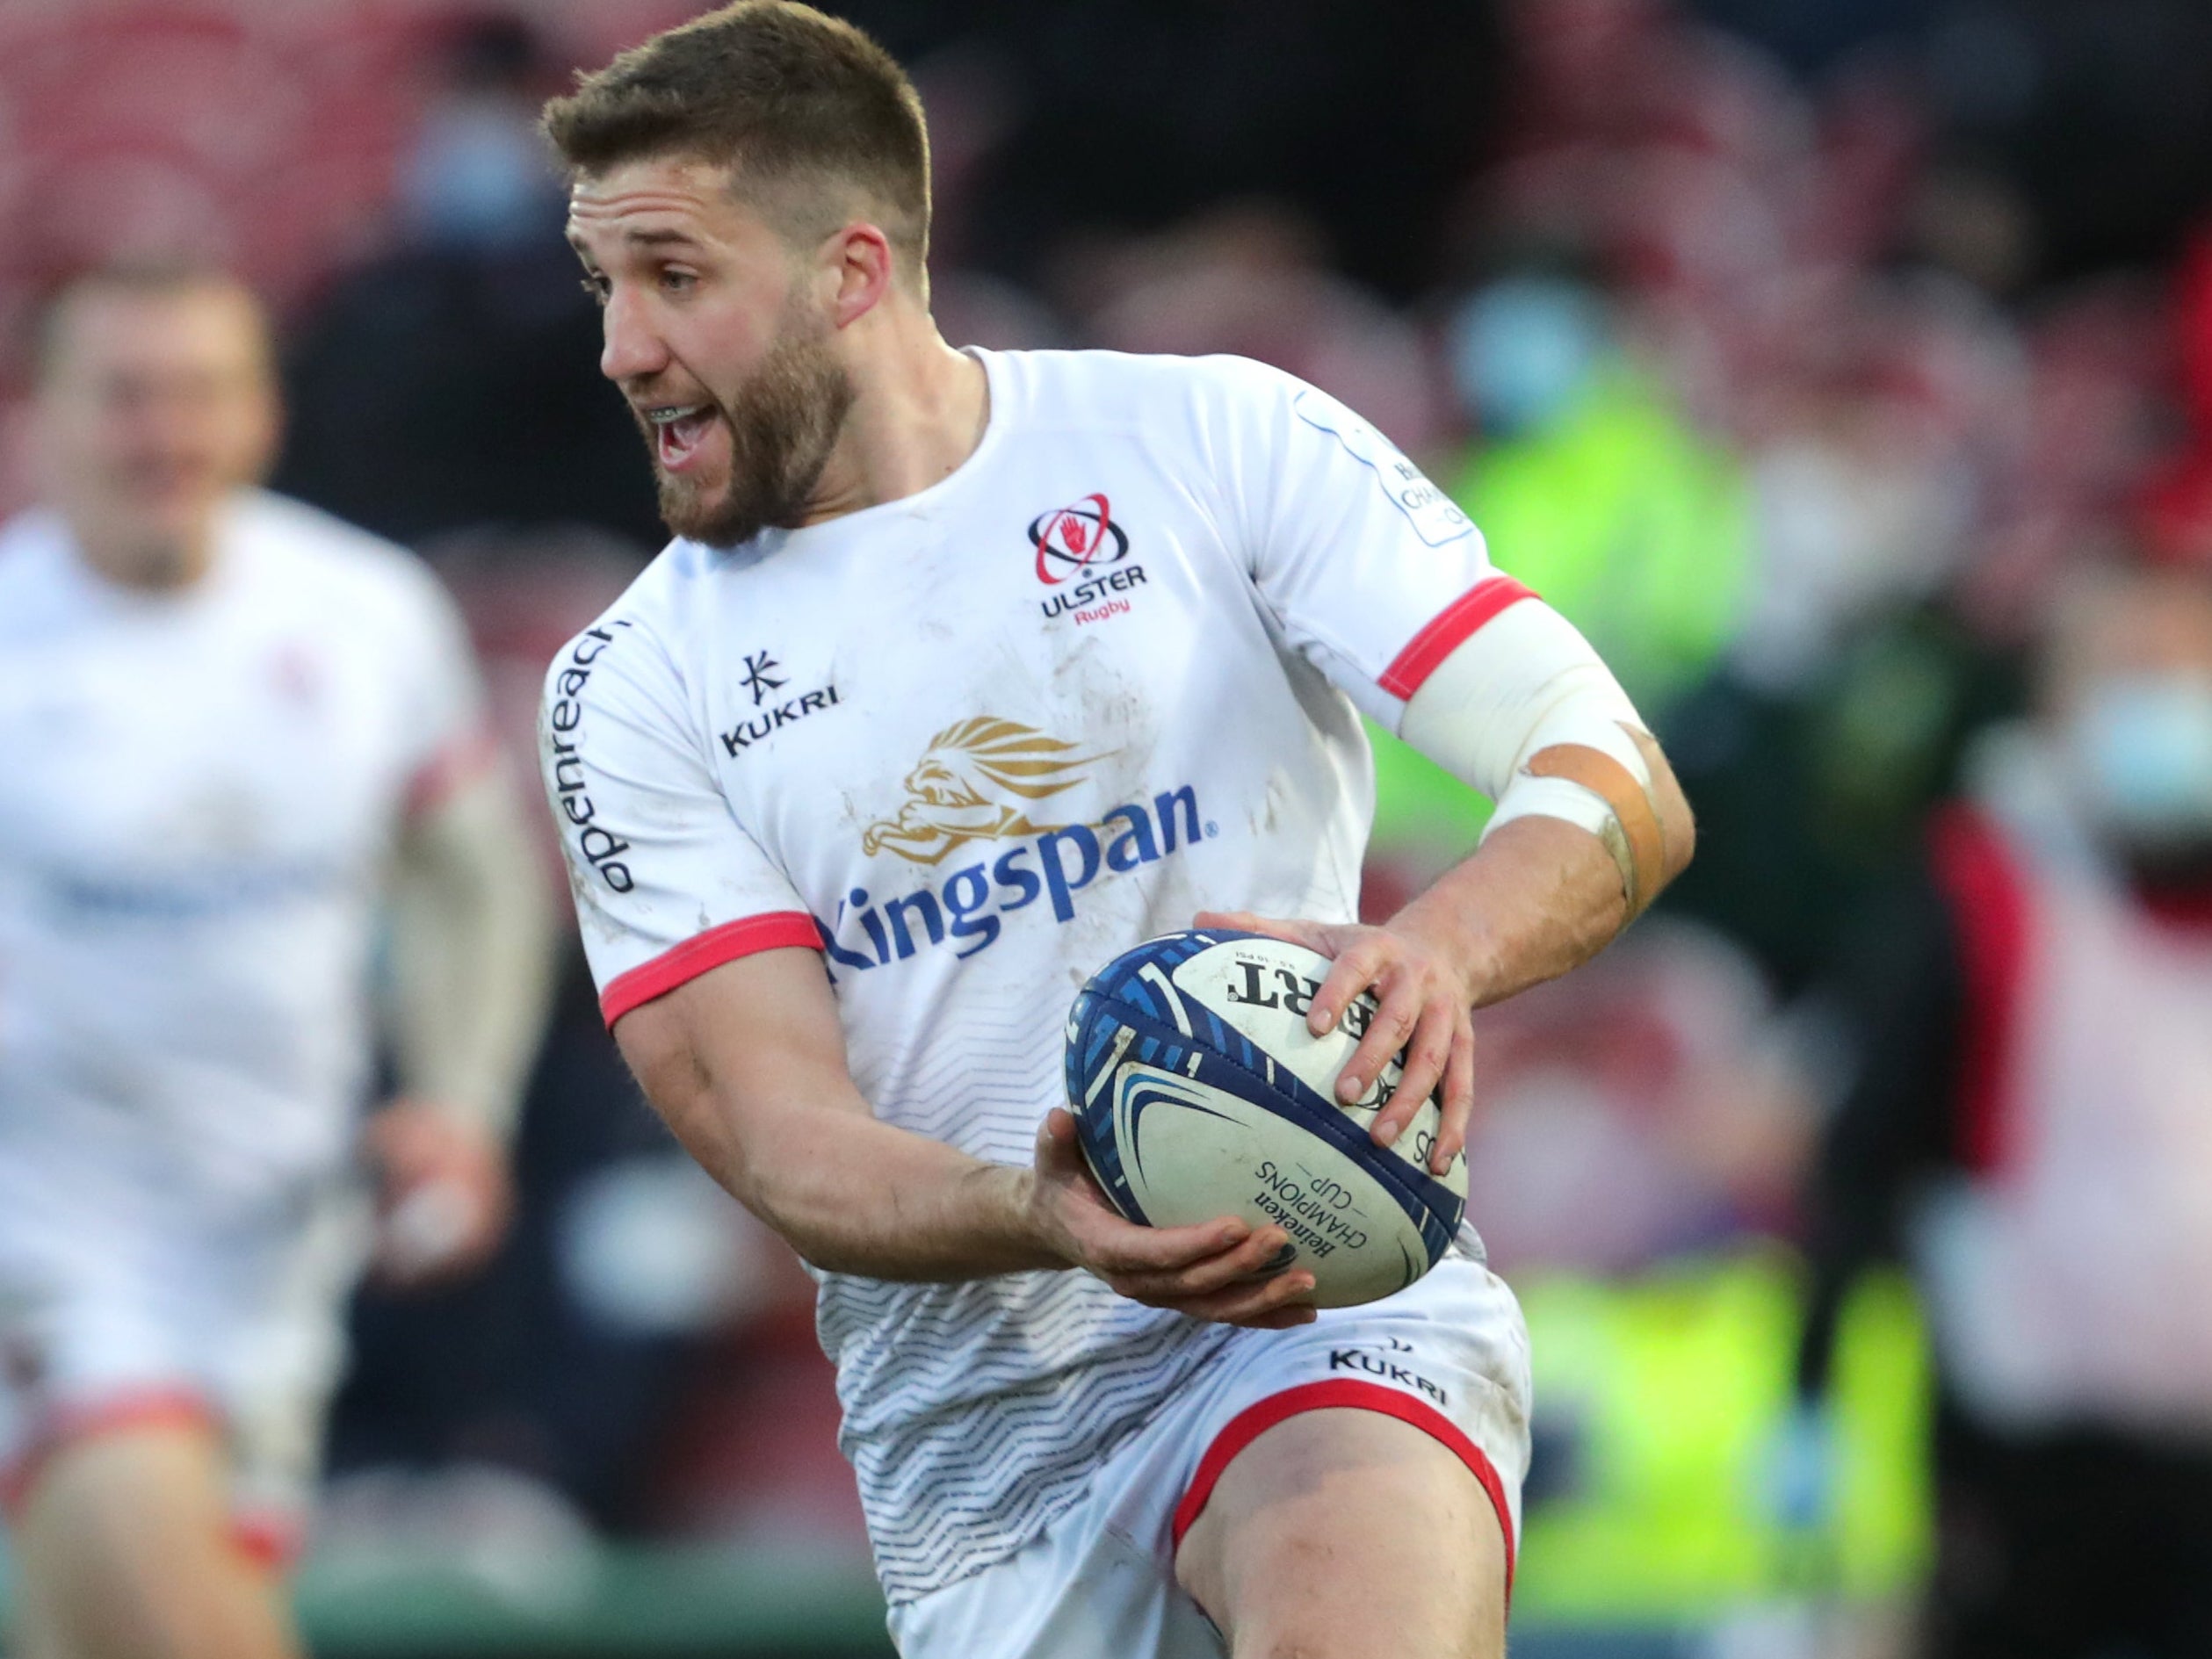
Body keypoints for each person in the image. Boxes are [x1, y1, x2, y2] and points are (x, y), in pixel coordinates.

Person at [537, 7, 1694, 1656]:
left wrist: (1430, 951)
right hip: (989, 1451)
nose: (620, 350)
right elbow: (782, 1137)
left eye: (671, 276)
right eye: (604, 287)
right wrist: (1048, 1209)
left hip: (1322, 1301)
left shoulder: (1205, 438)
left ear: (850, 271)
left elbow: (1605, 769)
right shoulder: (628, 688)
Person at [0, 266, 553, 1659]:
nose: (163, 435)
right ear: (45, 417)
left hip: (274, 1250)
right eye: (124, 395)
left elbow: (474, 887)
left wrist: (461, 1103)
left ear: (262, 412)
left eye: (200, 393)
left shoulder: (365, 613)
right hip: (49, 1248)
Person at [1793, 557, 2212, 1657]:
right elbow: (1863, 1152)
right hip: (2023, 1449)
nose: (2167, 703)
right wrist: (1815, 1394)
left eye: (2187, 672)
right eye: (2129, 674)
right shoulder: (1983, 886)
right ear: (2055, 702)